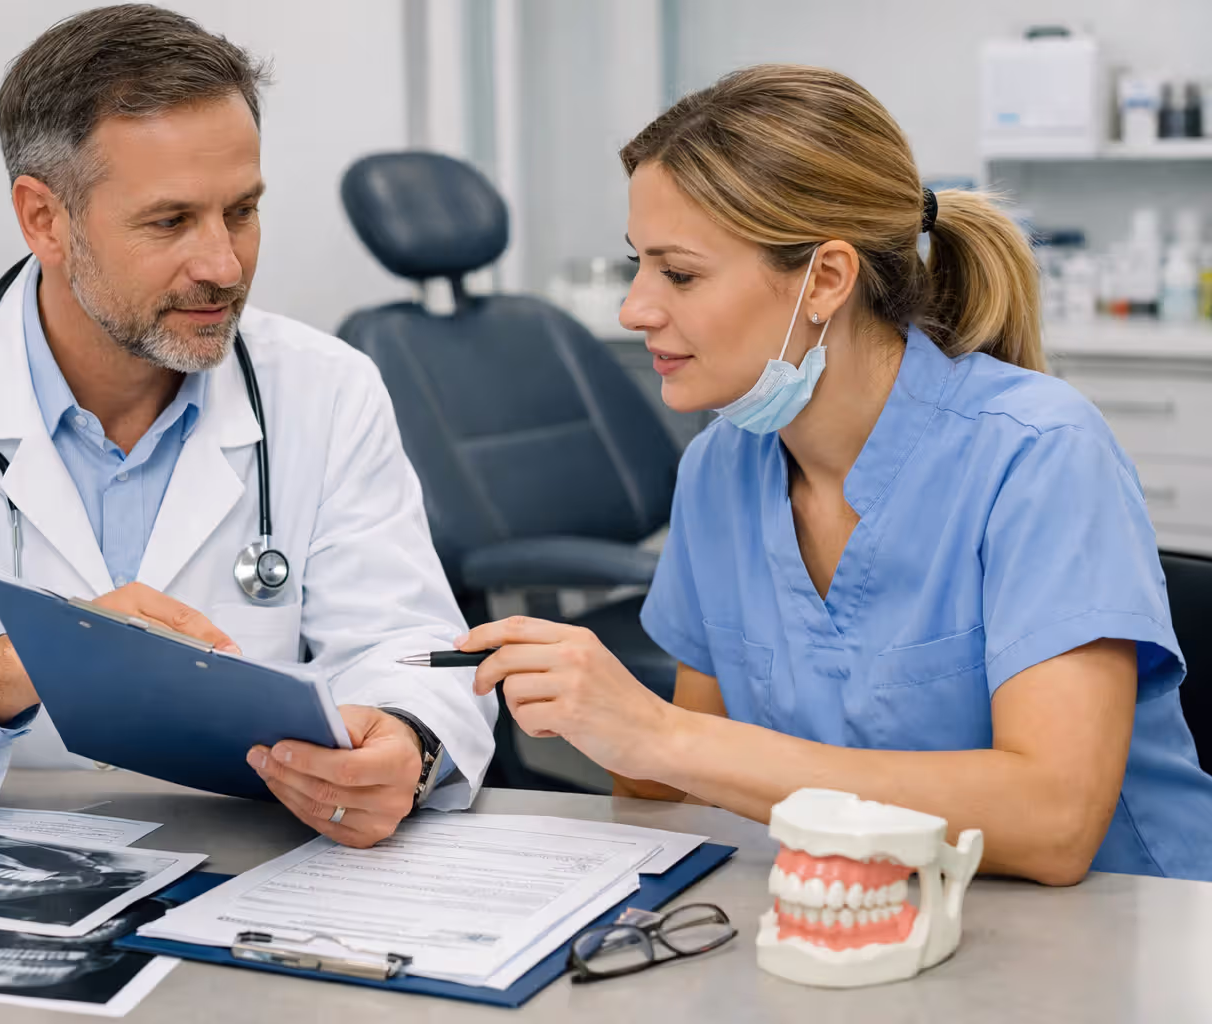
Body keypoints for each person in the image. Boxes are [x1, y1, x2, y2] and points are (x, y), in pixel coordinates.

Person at [0, 4, 495, 849]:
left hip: (254, 873)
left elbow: (412, 649)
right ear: (45, 219)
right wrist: (17, 668)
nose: (224, 266)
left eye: (242, 211)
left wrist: (407, 745)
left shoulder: (326, 390)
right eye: (170, 221)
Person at [457, 64, 1212, 884]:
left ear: (825, 279)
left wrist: (661, 735)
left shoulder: (1040, 453)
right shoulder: (721, 468)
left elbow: (1055, 822)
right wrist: (596, 715)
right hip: (855, 924)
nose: (634, 308)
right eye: (637, 264)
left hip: (1111, 938)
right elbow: (673, 792)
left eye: (678, 273)